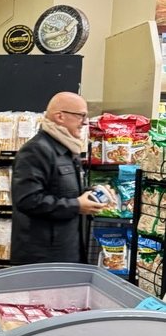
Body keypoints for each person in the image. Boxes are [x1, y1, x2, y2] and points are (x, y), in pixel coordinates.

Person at [11, 92, 104, 264]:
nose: (85, 122)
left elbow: (65, 191)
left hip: (66, 252)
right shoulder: (35, 151)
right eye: (81, 115)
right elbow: (27, 200)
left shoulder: (67, 149)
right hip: (43, 259)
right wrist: (77, 206)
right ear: (60, 116)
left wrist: (92, 194)